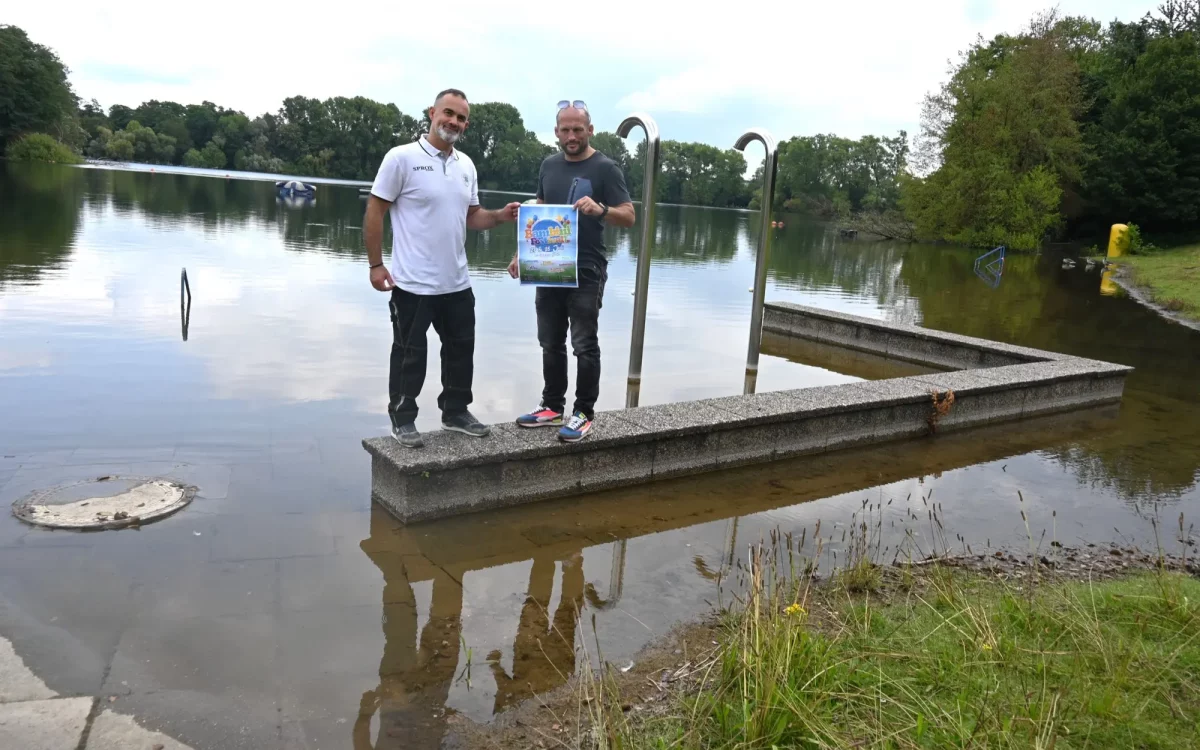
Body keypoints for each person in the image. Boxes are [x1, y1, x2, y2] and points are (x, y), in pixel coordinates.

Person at [365, 88, 521, 449]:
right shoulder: (401, 158)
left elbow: (471, 216)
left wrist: (499, 216)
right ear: (432, 113)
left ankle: (455, 412)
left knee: (461, 350)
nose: (453, 122)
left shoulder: (466, 165)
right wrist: (376, 265)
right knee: (409, 354)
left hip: (457, 282)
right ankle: (402, 419)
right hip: (413, 284)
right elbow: (375, 211)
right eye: (448, 113)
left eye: (461, 118)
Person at [508, 100, 636, 442]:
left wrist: (600, 208)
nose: (571, 135)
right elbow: (538, 212)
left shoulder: (606, 168)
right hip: (548, 265)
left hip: (587, 267)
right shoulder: (548, 165)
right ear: (556, 132)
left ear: (589, 130)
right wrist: (521, 254)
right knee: (550, 341)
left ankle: (583, 413)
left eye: (578, 129)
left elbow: (628, 215)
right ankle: (551, 407)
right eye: (565, 129)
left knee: (583, 344)